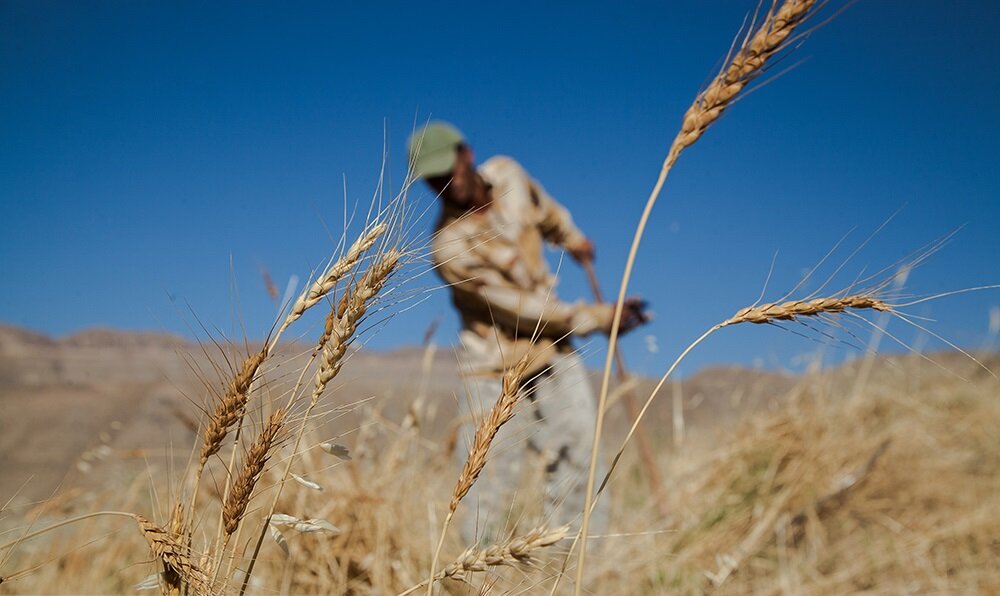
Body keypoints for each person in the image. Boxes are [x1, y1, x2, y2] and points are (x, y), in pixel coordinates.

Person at [408, 122, 648, 544]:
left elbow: (546, 210)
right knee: (486, 480)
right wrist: (599, 317)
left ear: (466, 153)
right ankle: (476, 580)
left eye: (448, 170)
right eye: (432, 180)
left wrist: (572, 240)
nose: (443, 184)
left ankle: (580, 573)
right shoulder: (448, 249)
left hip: (552, 350)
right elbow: (522, 310)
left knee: (579, 459)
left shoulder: (509, 175)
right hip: (491, 368)